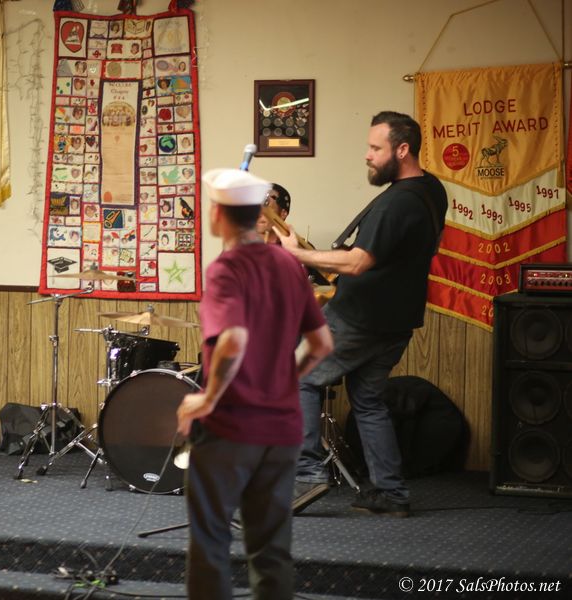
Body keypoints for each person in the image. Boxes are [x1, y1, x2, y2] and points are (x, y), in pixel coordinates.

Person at [275, 111, 447, 518]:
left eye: (375, 148)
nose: (367, 156)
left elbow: (357, 262)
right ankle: (391, 493)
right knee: (368, 401)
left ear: (402, 150)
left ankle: (307, 475)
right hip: (397, 320)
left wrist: (296, 254)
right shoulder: (431, 189)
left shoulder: (397, 203)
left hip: (361, 319)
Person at [177, 168, 333, 600]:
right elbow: (321, 344)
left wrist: (208, 398)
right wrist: (283, 382)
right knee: (271, 550)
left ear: (218, 214)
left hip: (231, 428)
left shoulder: (225, 269)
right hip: (282, 429)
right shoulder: (289, 264)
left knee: (210, 544)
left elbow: (233, 339)